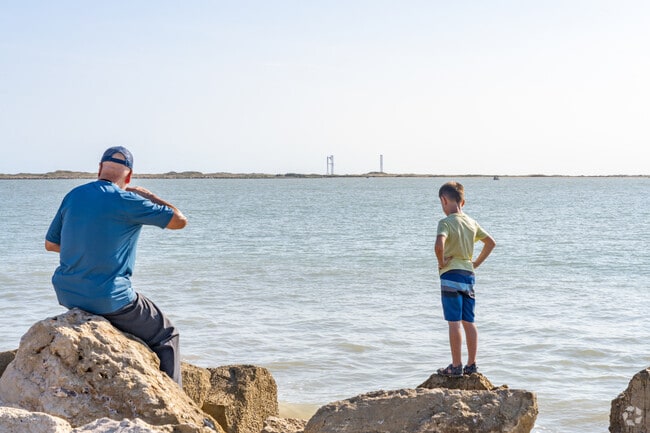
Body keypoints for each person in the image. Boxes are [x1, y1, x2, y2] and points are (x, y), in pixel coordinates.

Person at [45, 146, 187, 385]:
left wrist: (88, 249)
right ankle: (176, 400)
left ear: (99, 169)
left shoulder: (74, 195)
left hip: (68, 294)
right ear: (129, 177)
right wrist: (150, 196)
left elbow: (51, 244)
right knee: (167, 334)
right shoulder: (127, 200)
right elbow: (179, 221)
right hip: (110, 298)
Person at [435, 181, 495, 377]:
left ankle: (456, 365)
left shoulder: (445, 222)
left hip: (451, 274)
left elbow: (439, 244)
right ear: (464, 202)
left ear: (444, 200)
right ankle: (472, 365)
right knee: (469, 321)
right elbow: (490, 243)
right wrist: (475, 263)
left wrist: (442, 261)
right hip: (468, 275)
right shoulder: (471, 222)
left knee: (454, 322)